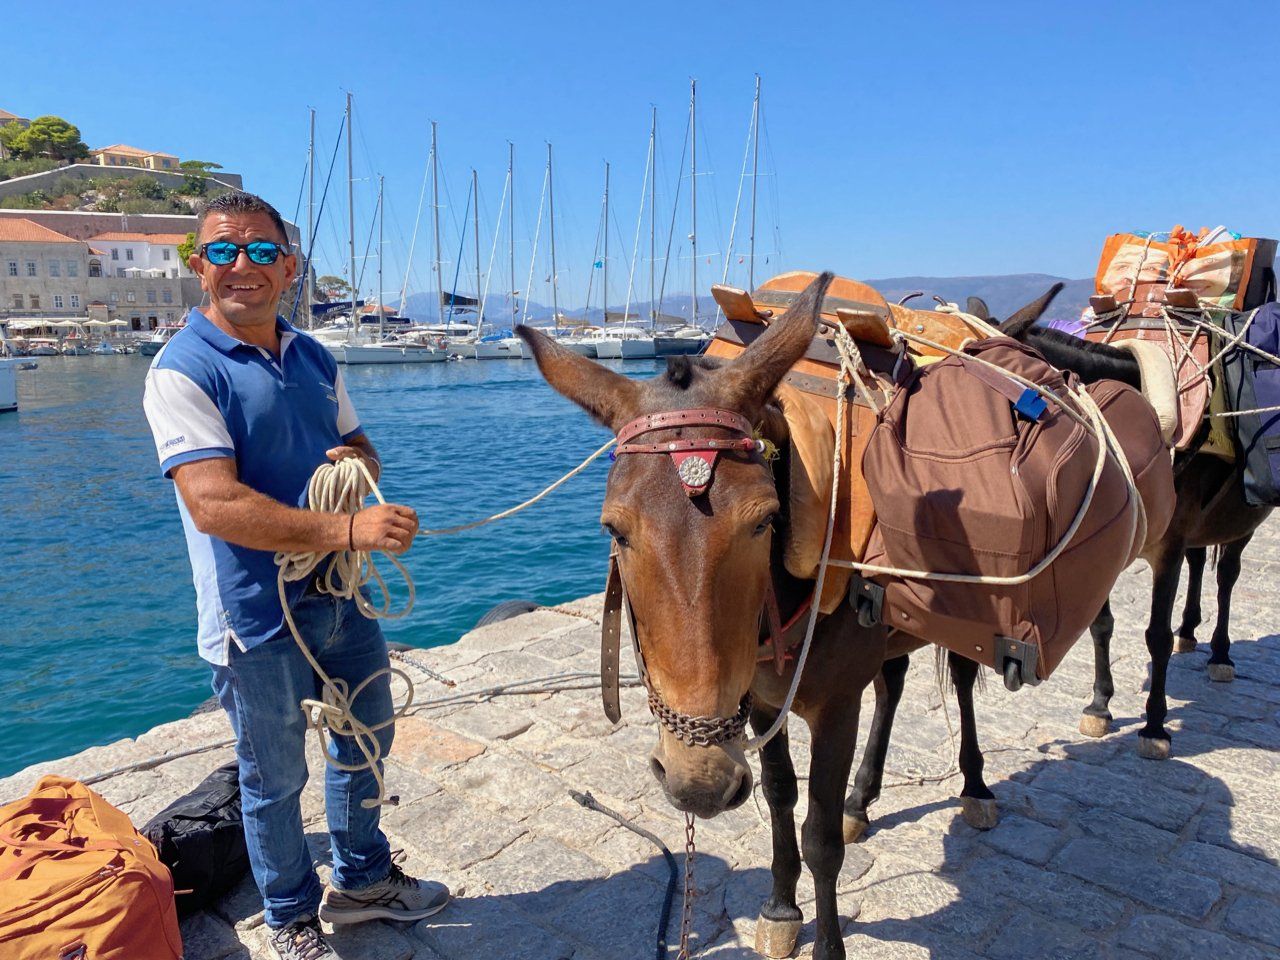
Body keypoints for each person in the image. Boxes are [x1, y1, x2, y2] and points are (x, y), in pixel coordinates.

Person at [142, 191, 448, 960]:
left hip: (339, 597)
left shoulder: (314, 356)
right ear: (197, 266)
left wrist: (359, 472)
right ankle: (290, 916)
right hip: (254, 619)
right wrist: (349, 527)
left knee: (364, 742)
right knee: (272, 779)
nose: (241, 264)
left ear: (288, 265)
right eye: (221, 250)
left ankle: (366, 879)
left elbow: (362, 451)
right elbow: (212, 504)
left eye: (257, 250)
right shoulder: (181, 370)